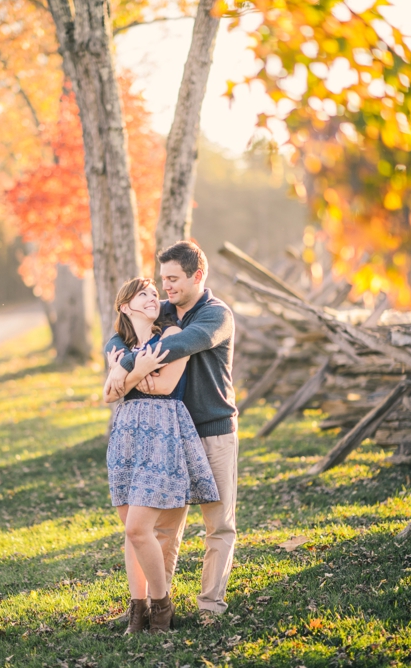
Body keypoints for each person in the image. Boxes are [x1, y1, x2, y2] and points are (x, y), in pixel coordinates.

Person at [105, 241, 239, 619]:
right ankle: (149, 606)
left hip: (212, 428)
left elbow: (177, 345)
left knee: (218, 524)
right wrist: (115, 357)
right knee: (163, 528)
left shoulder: (215, 315)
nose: (167, 288)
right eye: (163, 279)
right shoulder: (163, 309)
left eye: (174, 279)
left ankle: (210, 606)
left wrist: (124, 366)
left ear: (198, 275)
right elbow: (122, 331)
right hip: (171, 435)